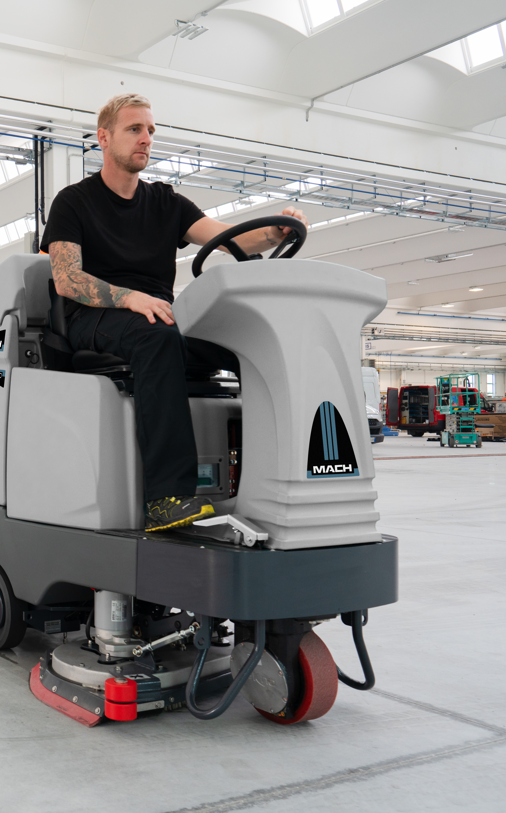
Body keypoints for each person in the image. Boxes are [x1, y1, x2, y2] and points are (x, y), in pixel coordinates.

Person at [41, 93, 308, 532]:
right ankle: (166, 496)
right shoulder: (74, 202)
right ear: (103, 138)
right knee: (157, 334)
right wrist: (130, 298)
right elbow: (68, 280)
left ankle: (279, 478)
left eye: (150, 130)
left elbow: (231, 239)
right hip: (94, 317)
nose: (146, 138)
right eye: (134, 129)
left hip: (156, 317)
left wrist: (275, 229)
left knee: (248, 346)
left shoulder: (167, 203)